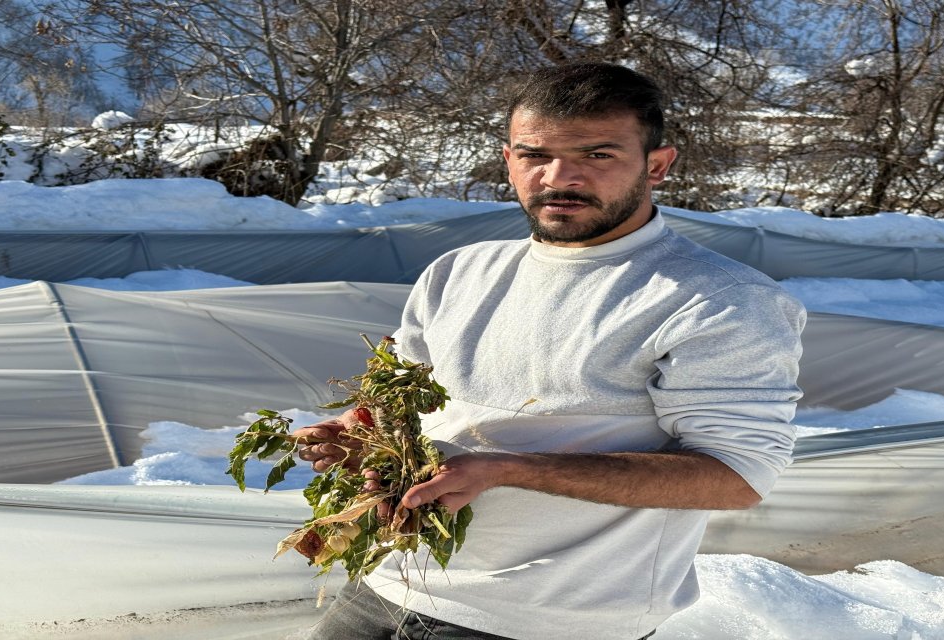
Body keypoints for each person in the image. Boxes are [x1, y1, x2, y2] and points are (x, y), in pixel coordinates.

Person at [295, 62, 806, 640]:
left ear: (657, 165)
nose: (560, 177)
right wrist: (359, 430)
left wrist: (508, 470)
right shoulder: (460, 271)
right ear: (509, 158)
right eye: (536, 155)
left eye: (598, 155)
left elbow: (735, 475)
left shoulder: (720, 299)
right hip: (390, 582)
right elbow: (401, 401)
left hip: (547, 618)